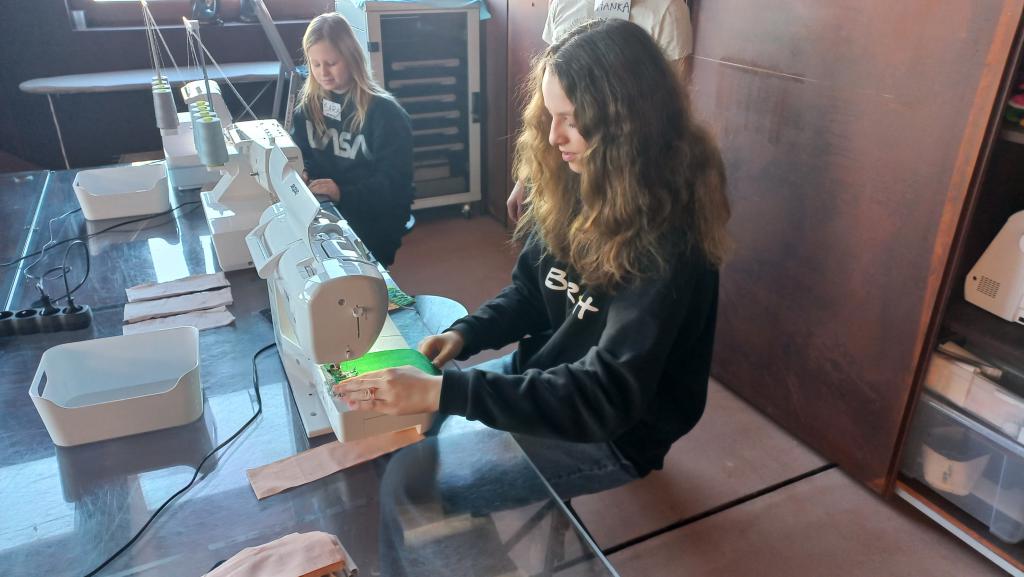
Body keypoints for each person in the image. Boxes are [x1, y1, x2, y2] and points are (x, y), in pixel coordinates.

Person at [337, 19, 730, 499]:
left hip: (618, 429)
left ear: (626, 123)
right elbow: (533, 291)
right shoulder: (576, 179)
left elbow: (605, 394)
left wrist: (447, 392)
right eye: (550, 115)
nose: (553, 137)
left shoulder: (668, 238)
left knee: (420, 487)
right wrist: (466, 333)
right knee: (410, 431)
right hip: (552, 371)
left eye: (571, 119)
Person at [508, 0, 694, 223]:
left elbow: (671, 109)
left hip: (627, 171)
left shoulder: (668, 10)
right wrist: (527, 176)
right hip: (565, 169)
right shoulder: (563, 3)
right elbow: (547, 101)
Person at [291, 12, 413, 268]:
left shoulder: (385, 114)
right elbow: (303, 155)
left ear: (351, 58)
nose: (323, 72)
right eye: (315, 64)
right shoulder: (308, 108)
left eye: (331, 63)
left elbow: (393, 185)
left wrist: (341, 193)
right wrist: (302, 172)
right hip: (328, 207)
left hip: (374, 214)